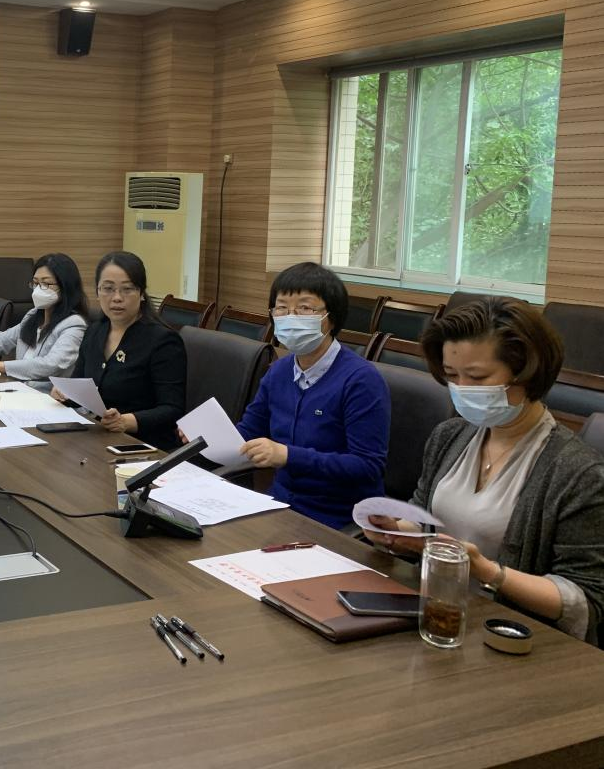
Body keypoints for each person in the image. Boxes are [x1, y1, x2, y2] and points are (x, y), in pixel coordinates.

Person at [367, 297, 604, 645]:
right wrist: (396, 531)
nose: (462, 388)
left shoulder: (577, 472)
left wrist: (489, 572)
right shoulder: (450, 436)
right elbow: (425, 521)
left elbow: (584, 601)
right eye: (452, 376)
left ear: (526, 372)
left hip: (509, 636)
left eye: (477, 377)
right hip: (435, 616)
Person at [233, 262, 390, 529]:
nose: (290, 317)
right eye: (282, 308)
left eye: (305, 308)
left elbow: (367, 466)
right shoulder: (279, 371)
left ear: (331, 317)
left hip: (338, 517)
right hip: (280, 506)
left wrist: (288, 456)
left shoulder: (361, 380)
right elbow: (249, 430)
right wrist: (208, 438)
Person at [53, 251, 186, 451]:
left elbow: (172, 409)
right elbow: (80, 383)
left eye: (127, 289)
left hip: (144, 445)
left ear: (142, 293)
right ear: (97, 292)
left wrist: (126, 421)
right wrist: (65, 394)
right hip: (99, 437)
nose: (116, 298)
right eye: (108, 289)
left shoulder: (163, 341)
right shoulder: (95, 331)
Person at [0, 253, 89, 380]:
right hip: (18, 389)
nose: (38, 290)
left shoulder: (74, 324)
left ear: (66, 287)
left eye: (46, 284)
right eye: (36, 283)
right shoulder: (33, 316)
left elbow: (50, 364)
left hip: (45, 396)